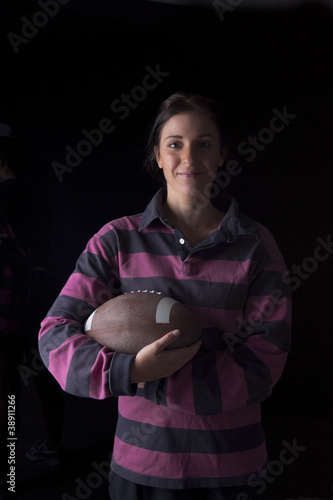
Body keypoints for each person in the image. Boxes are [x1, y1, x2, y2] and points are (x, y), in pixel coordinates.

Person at [38, 93, 292, 500]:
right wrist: (131, 371)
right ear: (157, 155)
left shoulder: (257, 244)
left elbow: (265, 362)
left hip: (235, 466)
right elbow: (54, 338)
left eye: (204, 143)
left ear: (223, 154)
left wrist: (152, 380)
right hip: (142, 468)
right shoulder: (116, 239)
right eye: (175, 144)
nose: (188, 157)